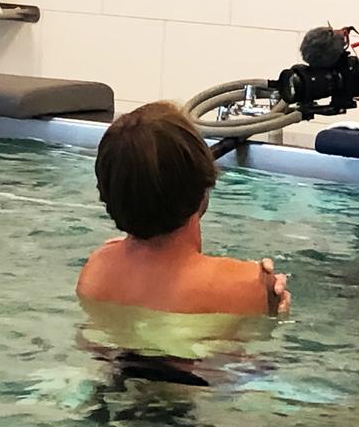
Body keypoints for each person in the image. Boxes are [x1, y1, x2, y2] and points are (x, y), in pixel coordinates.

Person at [76, 102, 290, 316]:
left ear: (107, 195)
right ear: (203, 183)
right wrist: (271, 296)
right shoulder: (247, 283)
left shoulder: (96, 270)